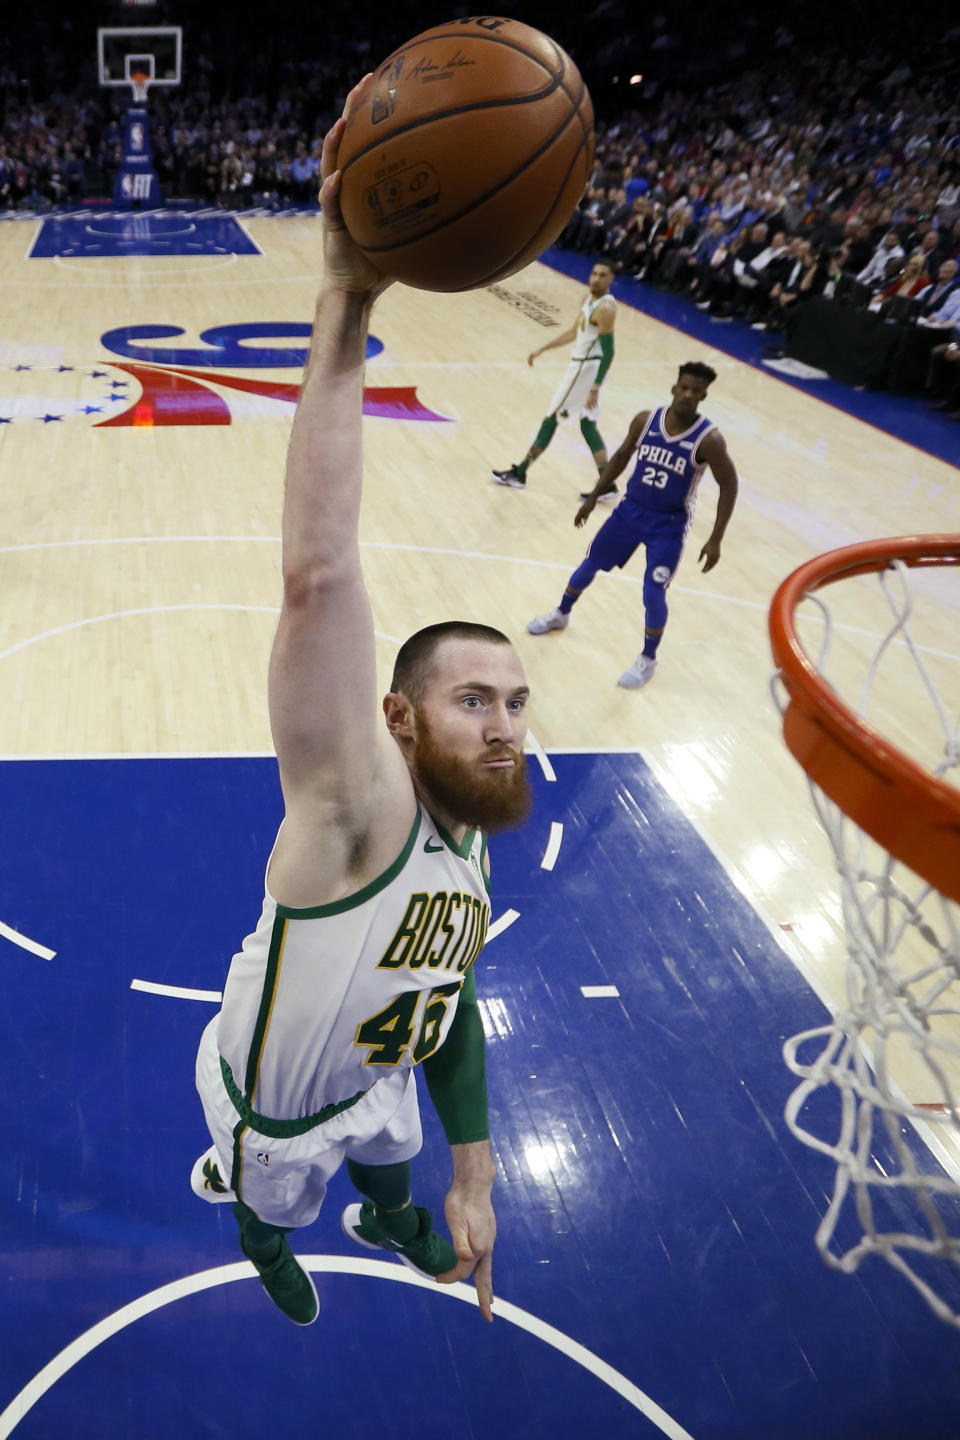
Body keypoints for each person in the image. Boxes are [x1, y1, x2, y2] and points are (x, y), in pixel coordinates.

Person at [190, 79, 532, 1329]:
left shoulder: (478, 833)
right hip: (277, 1091)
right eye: (472, 700)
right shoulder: (354, 816)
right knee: (276, 1191)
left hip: (377, 1061)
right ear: (397, 724)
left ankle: (384, 1210)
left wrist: (473, 1174)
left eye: (516, 701)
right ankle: (261, 1235)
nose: (505, 725)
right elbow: (319, 573)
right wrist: (349, 293)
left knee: (386, 1140)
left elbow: (447, 1016)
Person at [524, 363, 739, 689]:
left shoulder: (709, 440)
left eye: (695, 391)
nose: (687, 395)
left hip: (669, 525)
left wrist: (716, 539)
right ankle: (561, 613)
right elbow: (622, 455)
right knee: (589, 564)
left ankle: (648, 658)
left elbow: (730, 485)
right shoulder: (646, 420)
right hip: (629, 511)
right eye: (683, 387)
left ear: (704, 396)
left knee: (653, 592)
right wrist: (594, 495)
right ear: (673, 388)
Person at [490, 261, 617, 495]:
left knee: (551, 417)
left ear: (611, 279)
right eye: (594, 273)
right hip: (582, 368)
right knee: (588, 424)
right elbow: (574, 332)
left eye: (603, 275)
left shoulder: (605, 309)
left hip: (585, 371)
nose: (596, 279)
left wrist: (595, 387)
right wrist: (543, 349)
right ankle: (607, 483)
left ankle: (521, 472)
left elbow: (609, 352)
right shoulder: (588, 300)